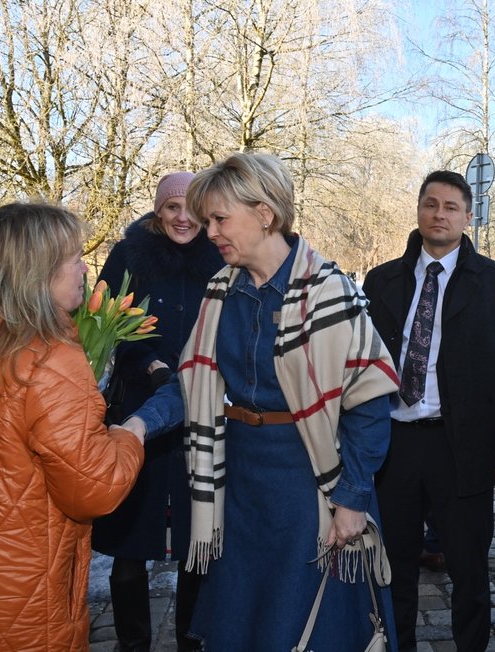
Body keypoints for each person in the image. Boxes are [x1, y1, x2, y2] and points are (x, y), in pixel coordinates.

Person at [118, 152, 401, 651]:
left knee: (308, 630)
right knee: (243, 628)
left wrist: (353, 501)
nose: (209, 232)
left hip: (309, 488)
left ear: (265, 214)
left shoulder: (329, 291)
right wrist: (137, 425)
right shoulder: (221, 291)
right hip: (242, 488)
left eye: (219, 218)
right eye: (208, 220)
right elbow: (192, 386)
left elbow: (370, 403)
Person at [0, 202, 145, 650]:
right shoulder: (48, 357)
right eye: (74, 258)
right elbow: (94, 487)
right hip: (19, 600)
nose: (84, 268)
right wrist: (128, 435)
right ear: (38, 271)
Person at [363, 170, 495, 652]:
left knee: (470, 570)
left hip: (464, 448)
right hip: (396, 442)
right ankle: (397, 644)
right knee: (395, 565)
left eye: (451, 207)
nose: (439, 214)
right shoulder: (382, 280)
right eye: (431, 204)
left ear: (468, 217)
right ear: (418, 209)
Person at [91, 172, 223, 652]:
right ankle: (133, 642)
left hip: (202, 411)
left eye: (191, 208)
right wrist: (149, 363)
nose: (182, 217)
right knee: (131, 540)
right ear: (157, 211)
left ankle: (192, 637)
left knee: (196, 538)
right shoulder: (129, 255)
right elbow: (107, 325)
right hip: (140, 407)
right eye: (171, 208)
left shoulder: (219, 255)